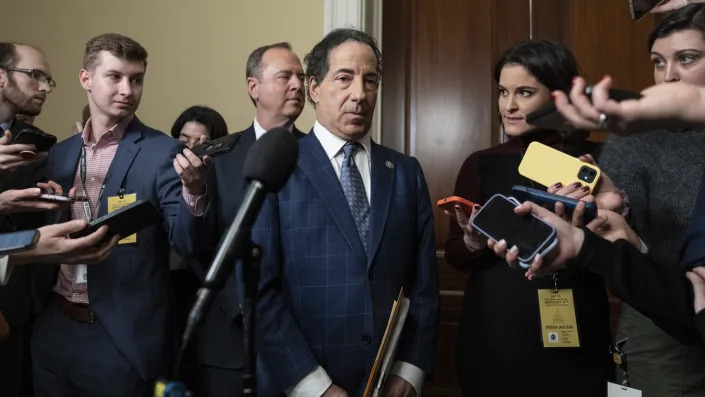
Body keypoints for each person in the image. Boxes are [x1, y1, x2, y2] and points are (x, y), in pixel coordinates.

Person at [250, 28, 438, 397]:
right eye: (344, 79)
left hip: (388, 384)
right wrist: (314, 386)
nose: (359, 94)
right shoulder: (277, 166)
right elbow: (259, 291)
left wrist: (411, 369)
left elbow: (424, 284)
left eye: (370, 81)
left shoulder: (405, 172)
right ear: (315, 89)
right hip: (302, 383)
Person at [29, 33, 211, 397]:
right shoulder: (61, 155)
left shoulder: (163, 152)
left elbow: (187, 242)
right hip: (55, 327)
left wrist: (194, 191)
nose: (128, 89)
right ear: (86, 80)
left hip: (121, 338)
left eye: (137, 79)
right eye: (115, 77)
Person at [443, 40, 612, 396]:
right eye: (503, 92)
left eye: (524, 92)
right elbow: (456, 255)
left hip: (577, 328)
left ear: (557, 97)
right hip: (495, 330)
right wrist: (473, 242)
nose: (509, 105)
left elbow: (624, 254)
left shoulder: (595, 163)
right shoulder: (480, 163)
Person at [551, 6, 705, 395]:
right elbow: (630, 251)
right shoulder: (636, 141)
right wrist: (617, 220)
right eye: (658, 62)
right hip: (659, 325)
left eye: (687, 59)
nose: (669, 75)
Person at [191, 41, 307, 397]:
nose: (297, 86)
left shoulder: (317, 155)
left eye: (301, 77)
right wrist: (239, 305)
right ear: (253, 87)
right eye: (285, 76)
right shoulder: (216, 158)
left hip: (304, 335)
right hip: (230, 335)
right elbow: (197, 245)